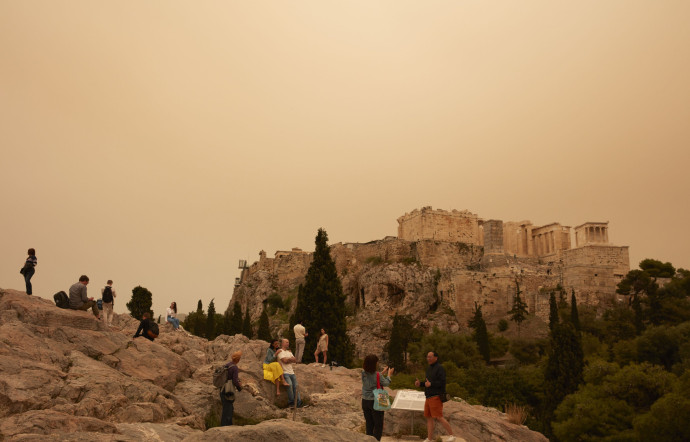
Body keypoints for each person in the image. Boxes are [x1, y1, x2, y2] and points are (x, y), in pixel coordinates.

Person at [415, 352, 455, 442]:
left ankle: (452, 435)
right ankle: (429, 439)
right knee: (428, 417)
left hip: (436, 396)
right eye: (427, 357)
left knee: (438, 416)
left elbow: (442, 382)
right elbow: (427, 383)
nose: (428, 358)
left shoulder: (440, 368)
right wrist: (420, 384)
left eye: (430, 357)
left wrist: (431, 384)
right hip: (428, 397)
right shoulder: (429, 368)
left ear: (436, 358)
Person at [361, 354, 394, 441]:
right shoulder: (377, 375)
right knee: (378, 425)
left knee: (369, 424)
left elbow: (373, 378)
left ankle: (368, 440)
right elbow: (386, 383)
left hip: (365, 401)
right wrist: (389, 374)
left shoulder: (363, 373)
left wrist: (382, 372)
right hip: (375, 402)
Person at [277, 338, 303, 407]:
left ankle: (298, 403)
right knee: (290, 386)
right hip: (285, 372)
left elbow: (295, 360)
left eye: (288, 342)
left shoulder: (289, 352)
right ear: (282, 343)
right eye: (286, 342)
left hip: (292, 372)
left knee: (296, 387)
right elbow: (284, 361)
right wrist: (290, 359)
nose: (288, 343)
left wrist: (288, 359)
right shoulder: (280, 351)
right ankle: (291, 403)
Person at [220, 351, 243, 426]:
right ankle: (226, 426)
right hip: (229, 390)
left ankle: (224, 425)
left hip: (222, 389)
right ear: (238, 359)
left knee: (226, 408)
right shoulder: (235, 367)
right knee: (228, 410)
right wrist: (239, 387)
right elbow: (235, 380)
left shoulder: (227, 365)